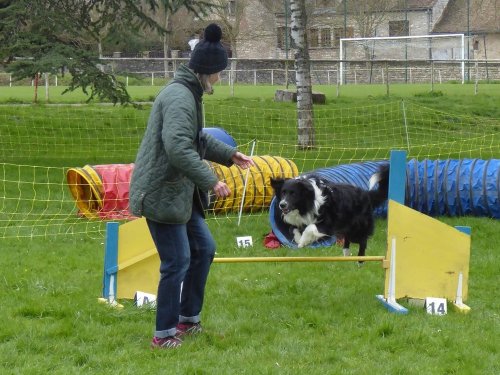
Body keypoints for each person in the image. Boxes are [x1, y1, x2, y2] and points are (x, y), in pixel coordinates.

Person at [129, 23, 254, 349]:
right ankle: (164, 334)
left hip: (180, 193)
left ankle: (188, 320)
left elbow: (195, 140)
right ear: (208, 71)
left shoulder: (190, 92)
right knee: (177, 262)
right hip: (162, 193)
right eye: (219, 73)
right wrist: (211, 180)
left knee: (204, 249)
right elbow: (178, 148)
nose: (220, 79)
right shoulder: (180, 98)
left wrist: (229, 155)